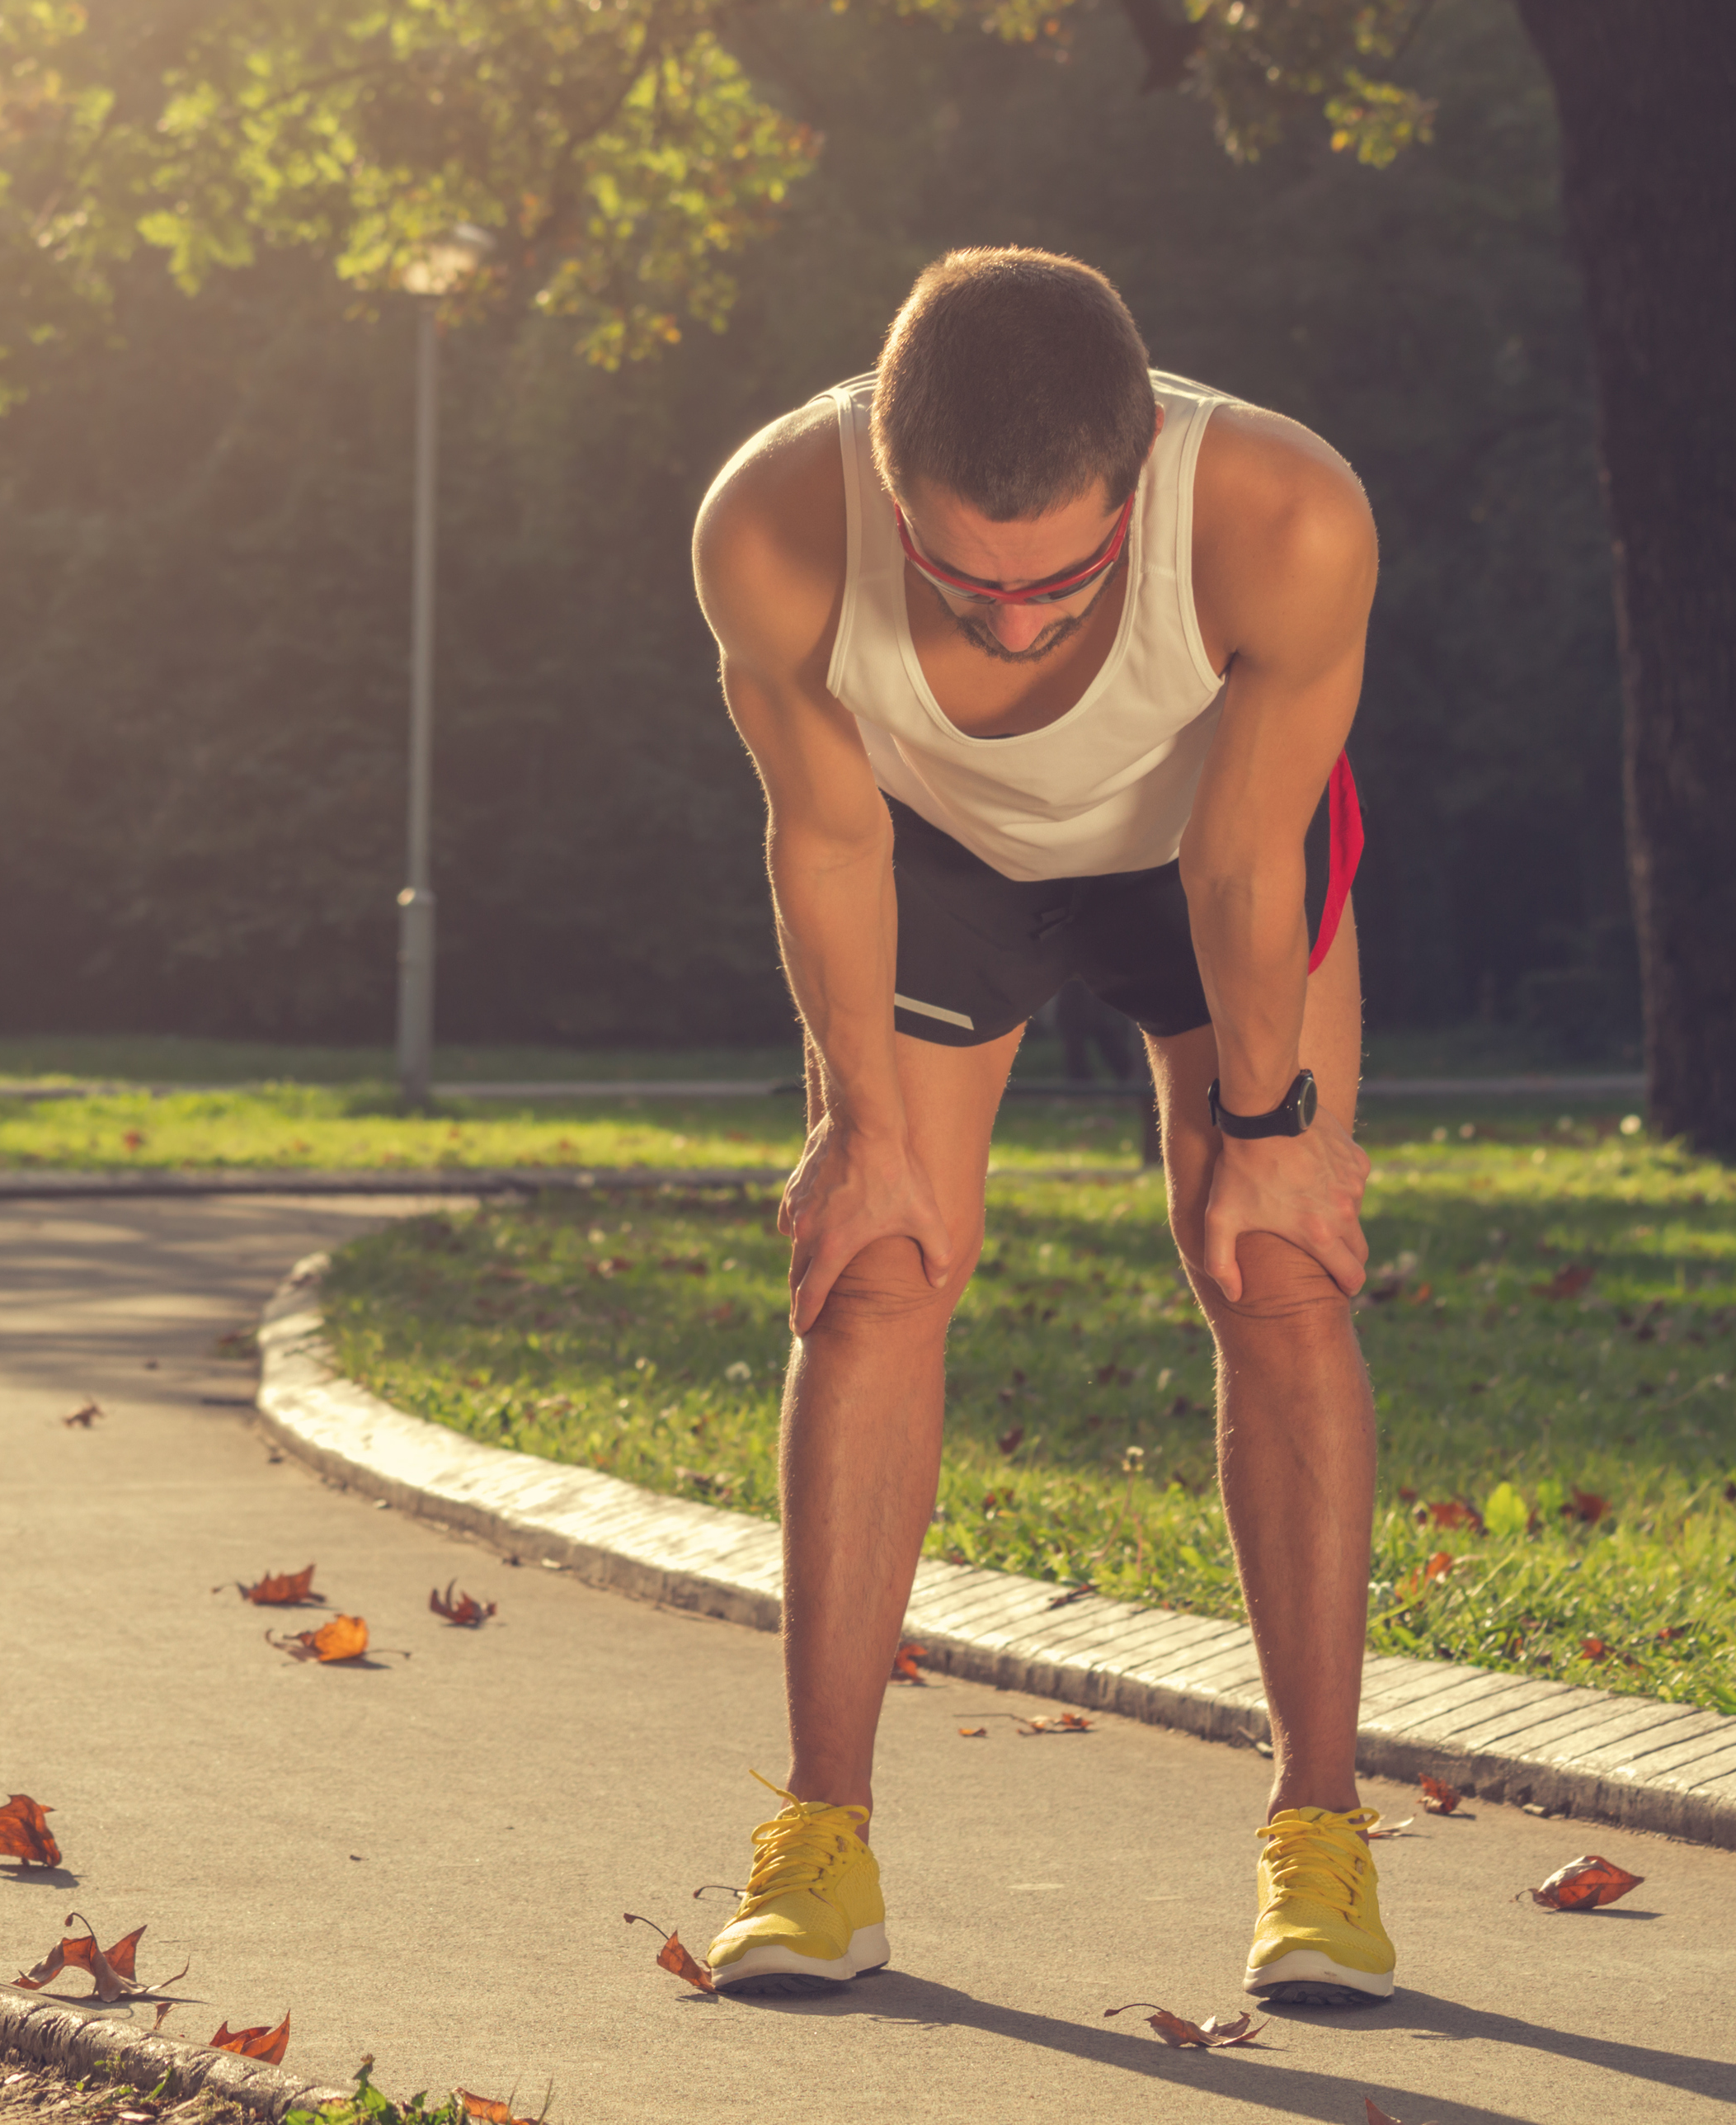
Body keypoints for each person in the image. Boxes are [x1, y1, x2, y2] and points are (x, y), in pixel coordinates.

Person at [686, 247, 1389, 2007]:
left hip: (1200, 850)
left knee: (1278, 1263)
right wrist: (855, 1121)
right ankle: (821, 1843)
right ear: (883, 481)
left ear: (1140, 466)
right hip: (929, 859)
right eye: (955, 575)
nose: (1008, 620)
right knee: (876, 1269)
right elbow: (827, 842)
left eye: (1060, 582)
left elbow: (1243, 862)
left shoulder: (1284, 512)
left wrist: (1273, 1123)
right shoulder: (770, 523)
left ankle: (1320, 1838)